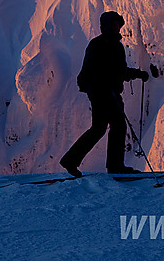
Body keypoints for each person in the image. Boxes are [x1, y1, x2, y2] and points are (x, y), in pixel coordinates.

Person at [60, 11, 149, 177]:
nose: (116, 27)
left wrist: (136, 74)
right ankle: (113, 166)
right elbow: (99, 71)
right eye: (113, 24)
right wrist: (134, 75)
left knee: (102, 128)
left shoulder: (110, 45)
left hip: (105, 92)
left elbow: (118, 71)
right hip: (102, 92)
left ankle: (73, 161)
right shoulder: (100, 45)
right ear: (105, 26)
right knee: (113, 126)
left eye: (117, 24)